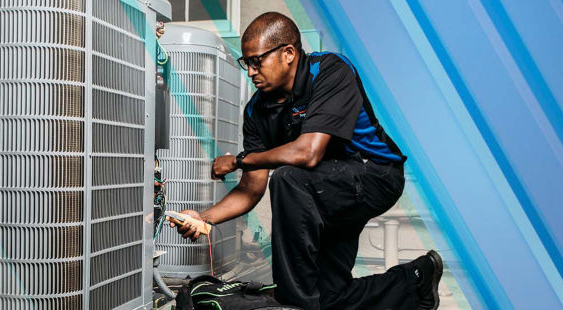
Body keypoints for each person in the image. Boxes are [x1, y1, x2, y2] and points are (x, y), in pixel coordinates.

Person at [168, 12, 443, 309]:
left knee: (289, 178)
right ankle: (416, 280)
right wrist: (204, 218)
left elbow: (307, 153)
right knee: (331, 296)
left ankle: (293, 304)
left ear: (288, 53)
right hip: (324, 192)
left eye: (257, 61)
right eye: (246, 63)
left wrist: (238, 160)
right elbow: (251, 189)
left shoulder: (330, 71)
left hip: (375, 175)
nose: (250, 72)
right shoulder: (256, 111)